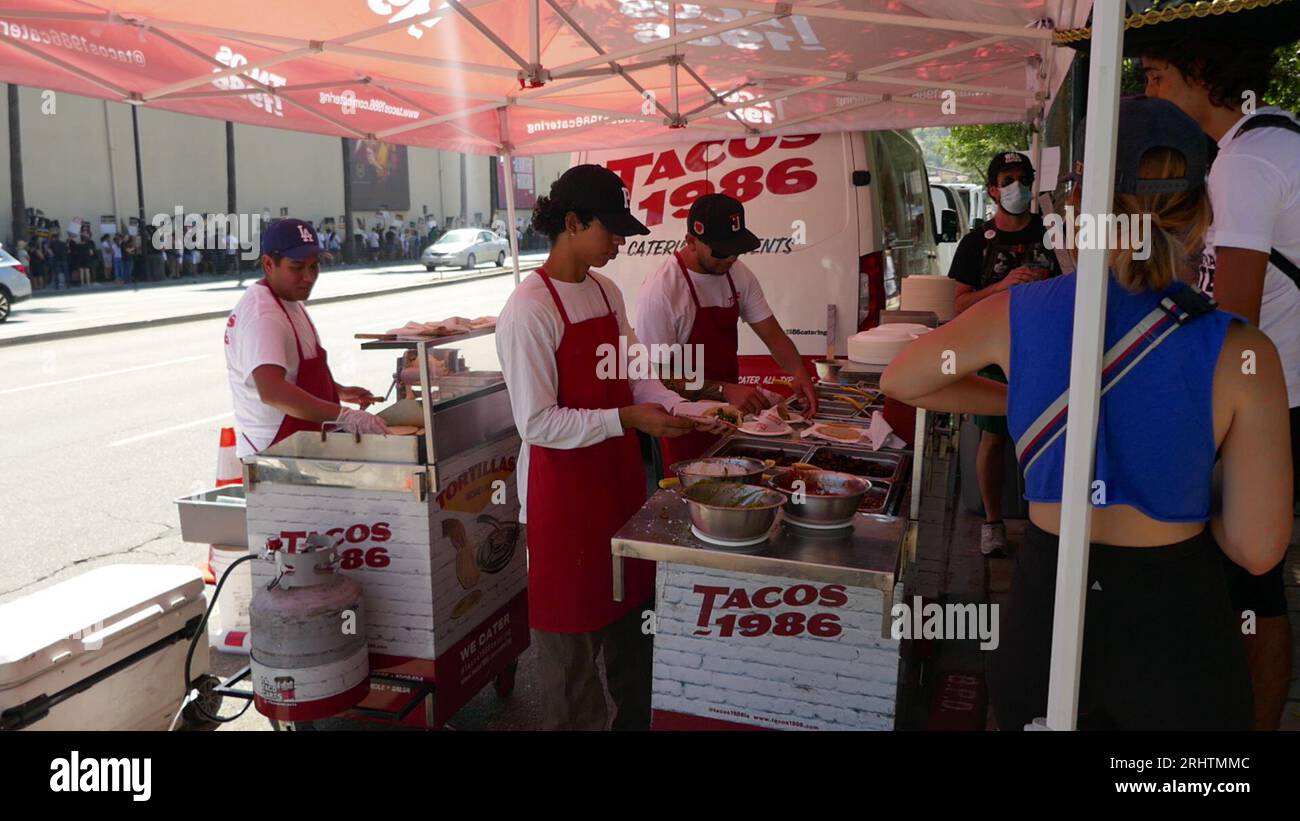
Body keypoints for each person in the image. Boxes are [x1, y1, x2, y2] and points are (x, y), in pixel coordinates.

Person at [881, 96, 1292, 731]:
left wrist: (1022, 401)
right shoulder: (1242, 350)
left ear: (1078, 207)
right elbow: (1259, 549)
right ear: (1202, 215)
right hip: (1177, 622)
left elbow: (904, 378)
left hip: (1047, 605)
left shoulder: (1015, 314)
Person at [496, 165, 724, 731]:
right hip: (563, 508)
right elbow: (538, 423)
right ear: (572, 224)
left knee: (632, 637)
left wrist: (680, 409)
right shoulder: (529, 309)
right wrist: (626, 418)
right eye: (612, 229)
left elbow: (635, 375)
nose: (621, 242)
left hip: (619, 492)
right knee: (571, 666)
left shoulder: (606, 290)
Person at [1140, 36, 1299, 732]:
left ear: (1202, 72)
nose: (1146, 93)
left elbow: (1232, 320)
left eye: (1155, 75)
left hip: (1270, 403)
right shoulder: (1272, 143)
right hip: (1281, 393)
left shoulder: (1245, 163)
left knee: (1249, 587)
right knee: (1255, 584)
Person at [635, 193, 819, 474]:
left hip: (733, 416)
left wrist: (799, 371)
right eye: (721, 251)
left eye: (736, 249)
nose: (731, 258)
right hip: (685, 422)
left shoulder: (737, 273)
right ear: (691, 241)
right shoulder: (661, 292)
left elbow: (772, 333)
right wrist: (723, 390)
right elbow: (657, 376)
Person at [946, 151, 1063, 557]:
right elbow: (958, 306)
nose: (1017, 186)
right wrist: (1005, 285)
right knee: (994, 439)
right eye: (1007, 179)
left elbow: (1080, 282)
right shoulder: (976, 242)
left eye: (1023, 178)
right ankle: (992, 523)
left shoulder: (1054, 233)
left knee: (1049, 440)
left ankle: (1046, 524)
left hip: (1049, 352)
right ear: (993, 189)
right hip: (995, 358)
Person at [225, 218, 389, 459]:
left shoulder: (288, 301)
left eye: (314, 266)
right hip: (276, 452)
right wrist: (343, 415)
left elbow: (294, 374)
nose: (309, 276)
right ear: (269, 264)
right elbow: (273, 391)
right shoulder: (264, 315)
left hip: (303, 441)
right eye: (297, 267)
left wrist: (338, 391)